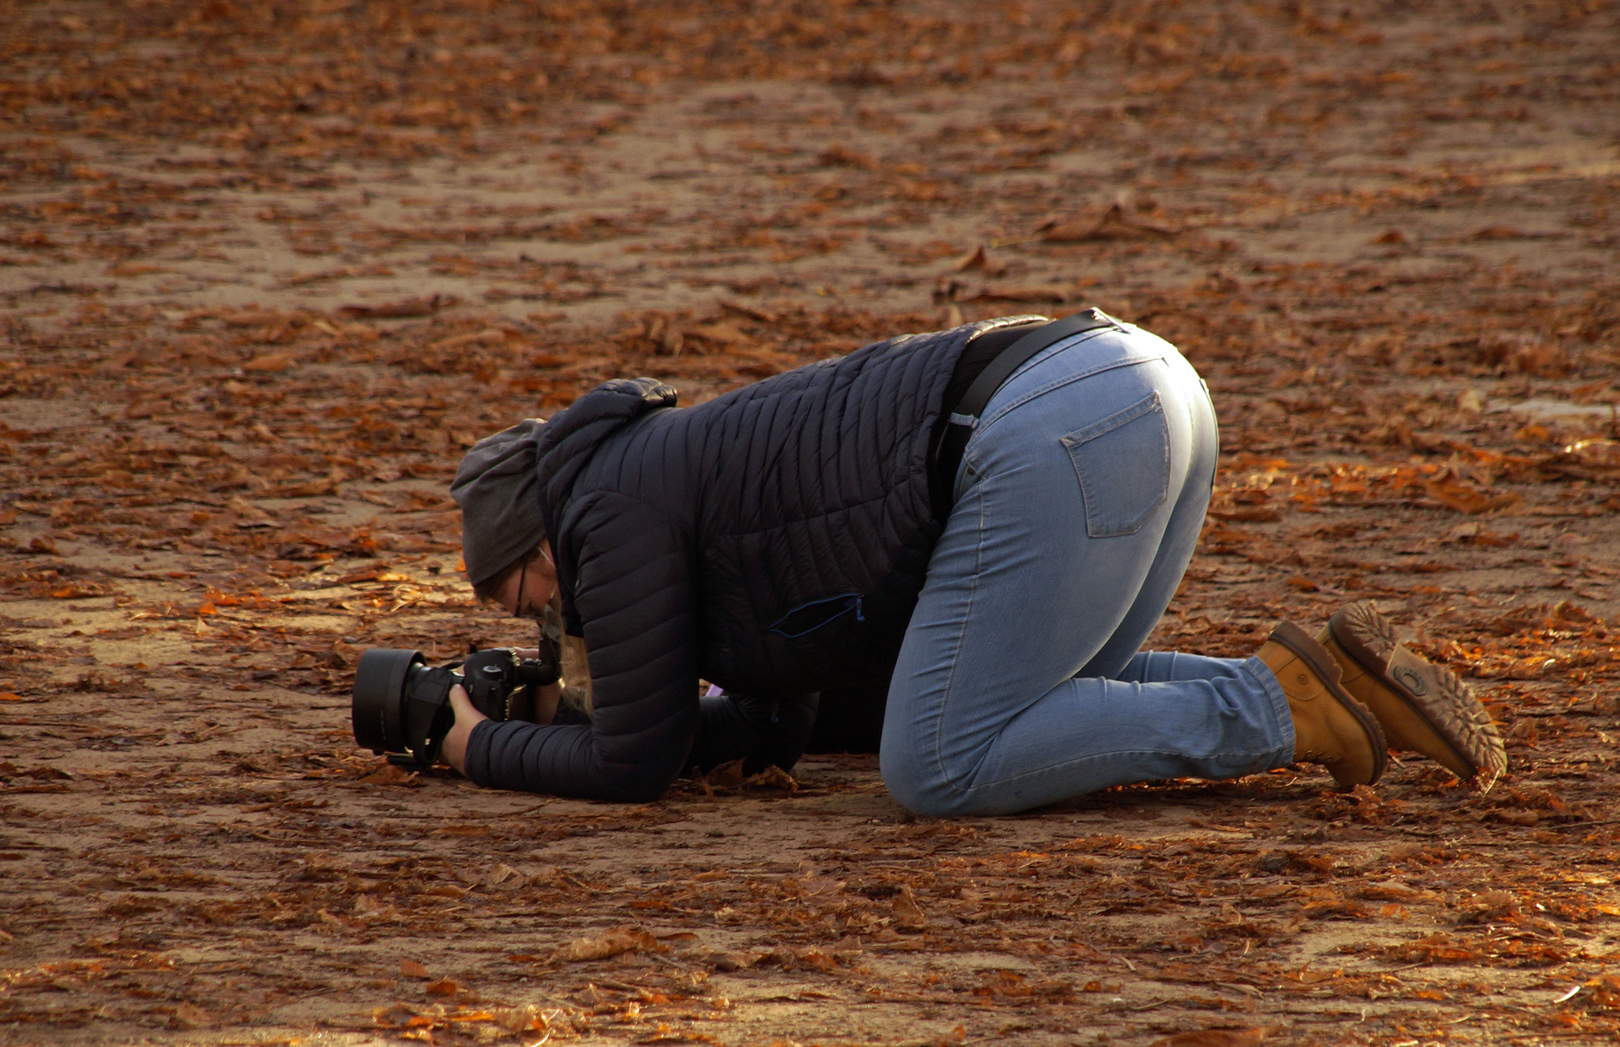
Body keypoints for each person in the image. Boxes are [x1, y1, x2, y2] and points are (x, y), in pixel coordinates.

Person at [438, 310, 1505, 814]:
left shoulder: (604, 513)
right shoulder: (656, 468)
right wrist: (615, 720)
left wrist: (473, 746)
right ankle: (1333, 683)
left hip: (1045, 428)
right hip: (1145, 380)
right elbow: (774, 720)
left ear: (536, 538)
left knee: (935, 766)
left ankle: (1280, 712)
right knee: (1025, 690)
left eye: (513, 592)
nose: (534, 617)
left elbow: (628, 772)